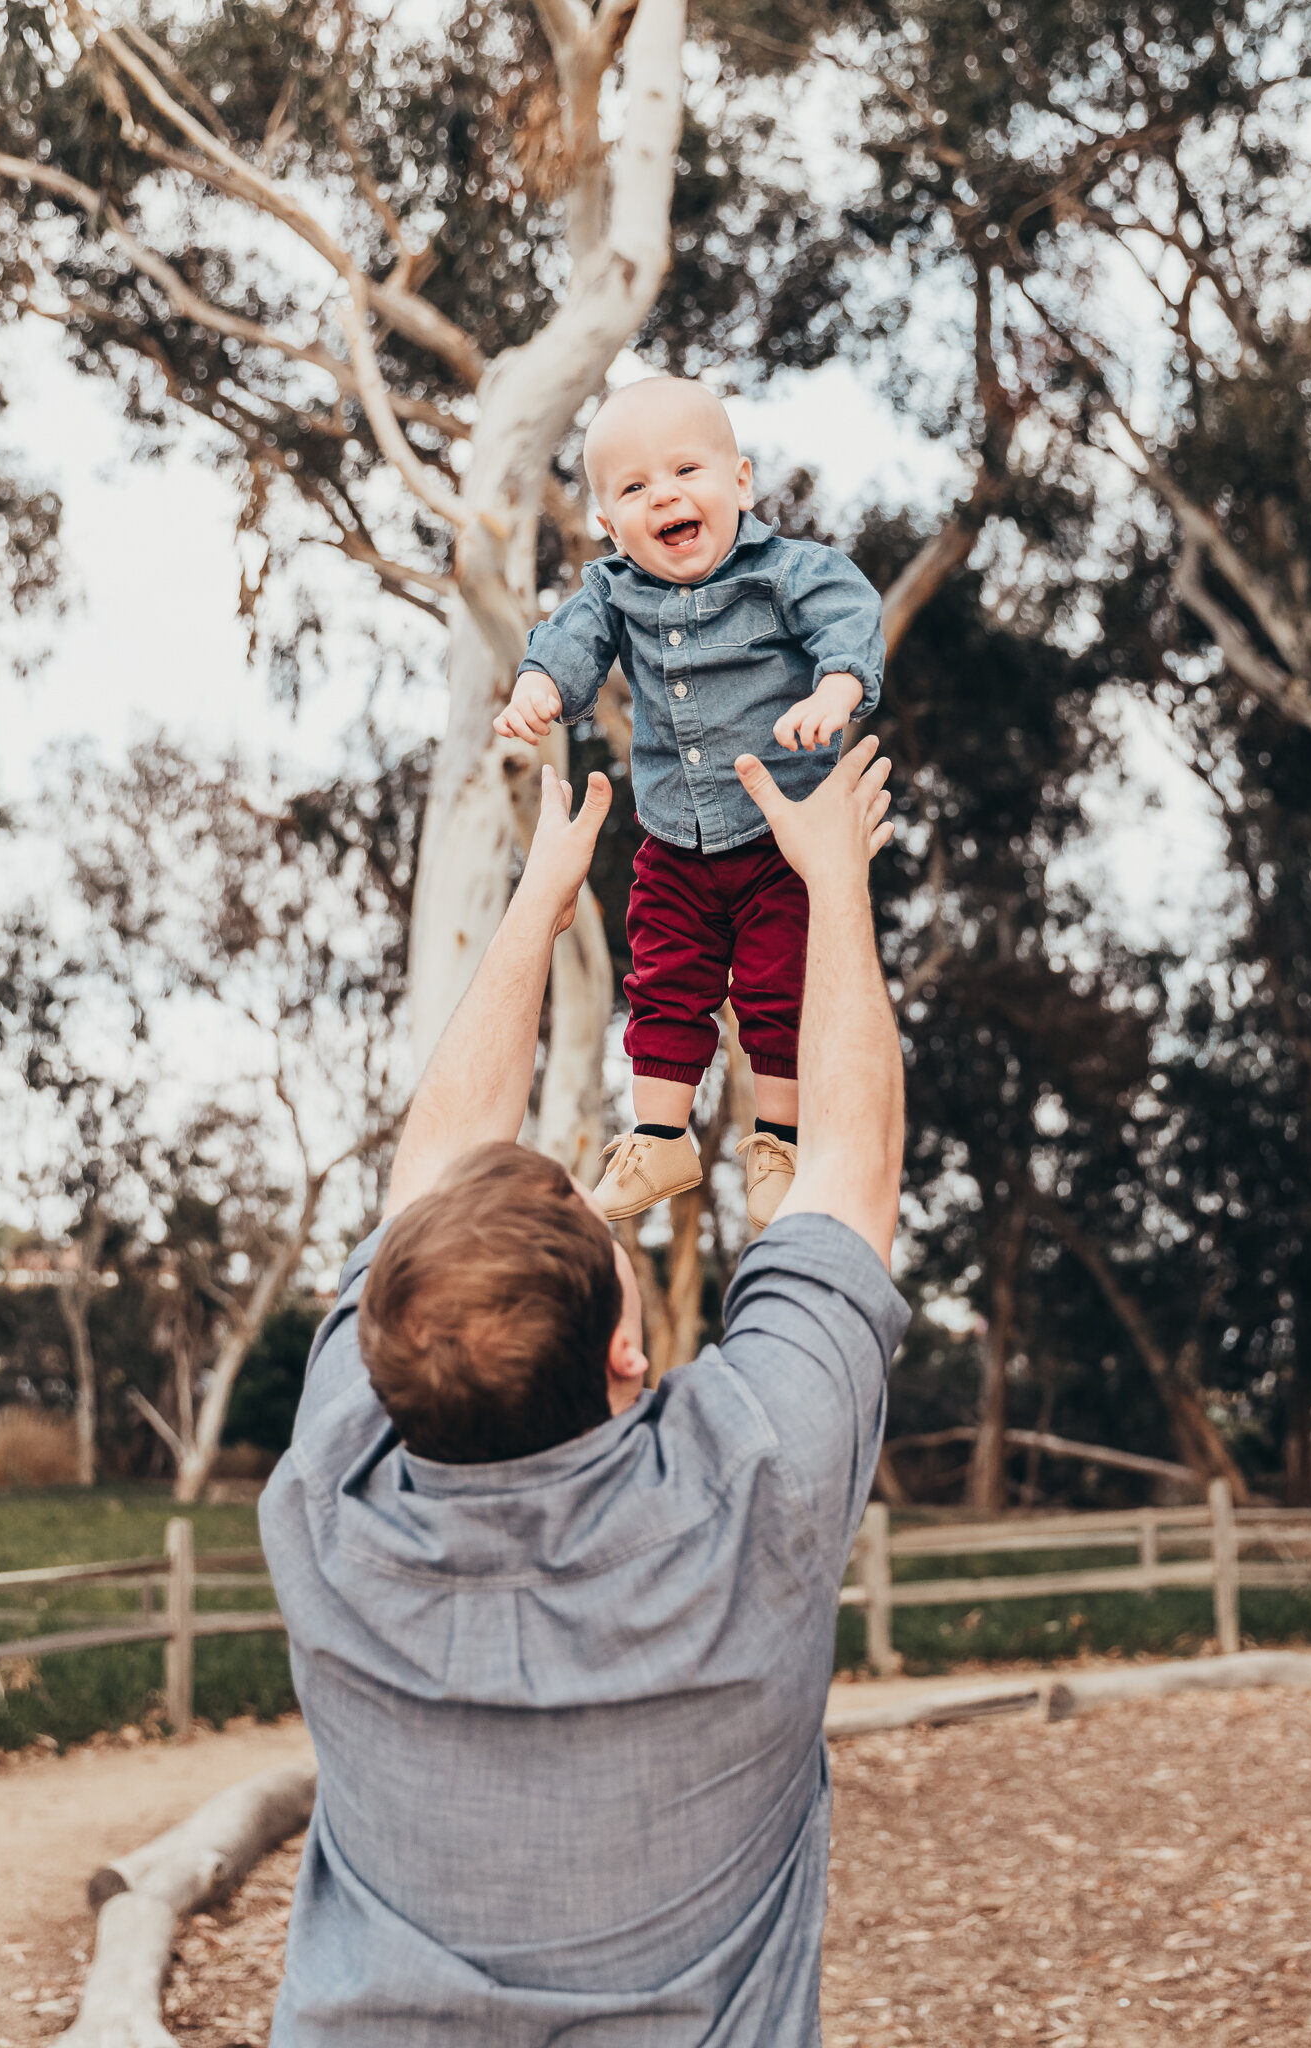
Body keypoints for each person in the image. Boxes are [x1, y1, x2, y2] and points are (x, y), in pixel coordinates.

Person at [261, 735, 910, 2048]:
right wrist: (830, 884)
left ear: (387, 1356)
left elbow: (434, 1164)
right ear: (629, 1352)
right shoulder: (758, 1489)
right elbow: (850, 1164)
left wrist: (540, 896)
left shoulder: (327, 1498)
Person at [493, 377, 886, 1229]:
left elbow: (846, 613)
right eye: (632, 488)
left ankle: (778, 1142)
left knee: (776, 989)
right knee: (665, 980)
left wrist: (838, 688)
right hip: (673, 839)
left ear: (738, 483)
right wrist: (536, 684)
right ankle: (660, 1137)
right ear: (608, 524)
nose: (662, 495)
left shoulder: (784, 573)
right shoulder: (613, 589)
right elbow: (569, 639)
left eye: (684, 470)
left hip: (778, 833)